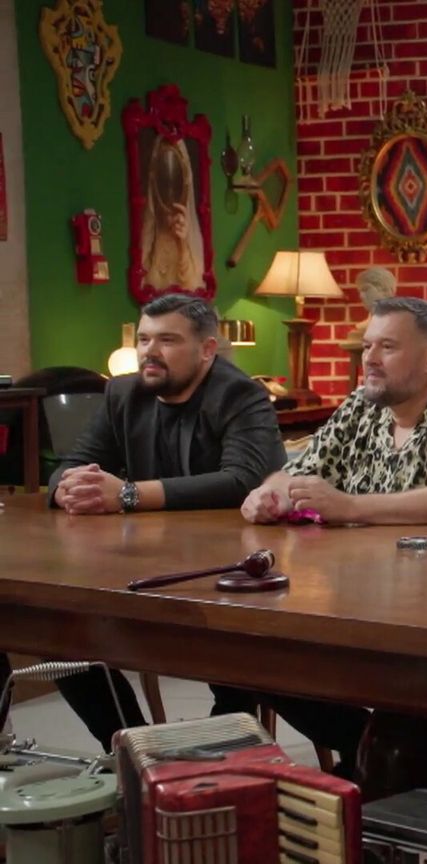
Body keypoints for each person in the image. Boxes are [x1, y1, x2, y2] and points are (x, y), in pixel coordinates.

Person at [39, 294, 323, 755]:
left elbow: (242, 480)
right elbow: (71, 464)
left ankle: (224, 749)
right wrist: (68, 488)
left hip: (233, 572)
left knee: (241, 658)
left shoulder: (239, 394)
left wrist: (128, 494)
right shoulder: (123, 393)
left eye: (167, 340)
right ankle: (137, 751)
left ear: (207, 349)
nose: (150, 352)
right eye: (144, 339)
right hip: (142, 566)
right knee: (58, 634)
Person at [242, 296, 427, 526]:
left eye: (387, 347)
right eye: (367, 346)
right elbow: (295, 475)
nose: (370, 359)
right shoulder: (360, 407)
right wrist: (270, 496)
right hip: (368, 570)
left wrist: (351, 507)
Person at [140, 135, 205, 294]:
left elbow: (194, 287)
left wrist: (182, 244)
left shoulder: (189, 236)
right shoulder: (149, 239)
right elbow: (143, 283)